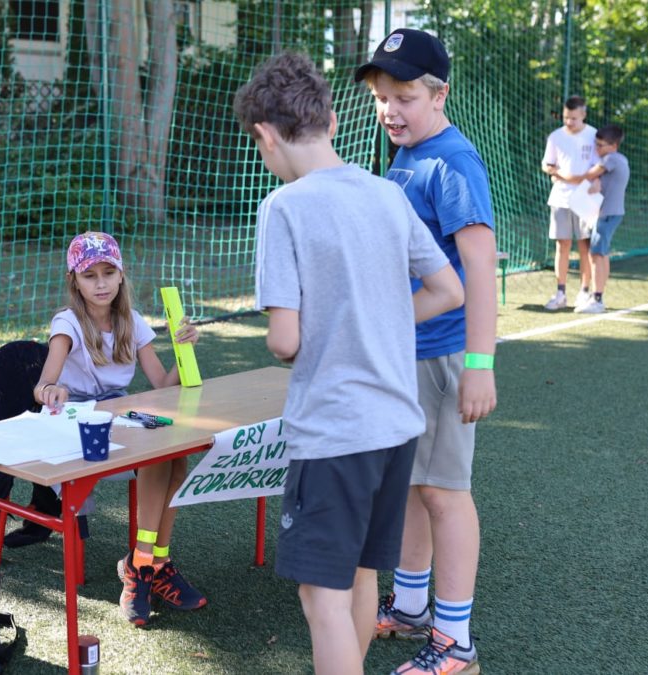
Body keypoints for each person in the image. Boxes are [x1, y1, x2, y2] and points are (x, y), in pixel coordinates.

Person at [235, 52, 464, 675]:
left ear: (264, 135)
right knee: (362, 577)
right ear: (333, 121)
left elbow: (285, 340)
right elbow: (448, 290)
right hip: (397, 428)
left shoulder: (284, 206)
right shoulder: (387, 193)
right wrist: (379, 321)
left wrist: (324, 331)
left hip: (335, 431)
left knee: (321, 598)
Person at [356, 28, 498, 675]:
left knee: (445, 493)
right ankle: (411, 606)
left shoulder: (451, 160)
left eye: (404, 97)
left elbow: (481, 268)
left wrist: (479, 365)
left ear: (440, 95)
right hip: (407, 355)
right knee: (413, 487)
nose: (390, 110)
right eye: (382, 97)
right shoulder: (408, 154)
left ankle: (455, 641)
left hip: (443, 358)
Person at [32, 231, 207, 627]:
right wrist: (51, 391)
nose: (101, 283)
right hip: (76, 420)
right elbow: (43, 384)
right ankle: (145, 564)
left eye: (108, 273)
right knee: (157, 454)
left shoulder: (132, 320)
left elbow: (162, 384)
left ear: (121, 275)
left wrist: (185, 349)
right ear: (74, 280)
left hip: (118, 414)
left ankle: (150, 563)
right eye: (89, 275)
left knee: (176, 455)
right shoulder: (67, 322)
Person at [558, 124, 629, 314]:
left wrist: (557, 174)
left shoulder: (610, 159)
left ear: (613, 145)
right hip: (611, 213)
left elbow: (585, 176)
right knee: (601, 254)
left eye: (600, 145)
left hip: (607, 214)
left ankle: (597, 299)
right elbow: (596, 179)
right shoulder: (619, 159)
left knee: (596, 255)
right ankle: (597, 295)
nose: (596, 149)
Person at [541, 95, 599, 311]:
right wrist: (558, 173)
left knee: (585, 246)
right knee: (562, 245)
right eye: (566, 117)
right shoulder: (555, 137)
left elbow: (598, 166)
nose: (569, 122)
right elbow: (547, 164)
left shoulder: (594, 135)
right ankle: (560, 293)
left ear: (583, 115)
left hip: (585, 198)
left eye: (573, 118)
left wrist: (577, 179)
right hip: (560, 198)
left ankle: (584, 292)